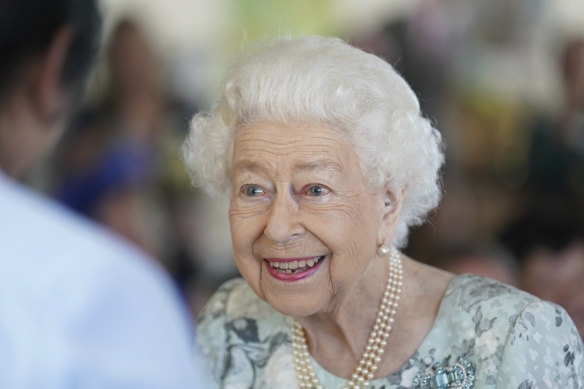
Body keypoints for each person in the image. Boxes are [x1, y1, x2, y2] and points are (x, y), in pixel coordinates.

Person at [183, 36, 584, 388]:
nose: (279, 227)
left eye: (316, 189)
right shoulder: (229, 326)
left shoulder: (511, 338)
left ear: (388, 205)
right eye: (254, 190)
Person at [0, 0, 210, 387]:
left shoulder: (183, 117)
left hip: (176, 267)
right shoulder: (100, 294)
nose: (131, 65)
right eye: (121, 55)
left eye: (138, 54)